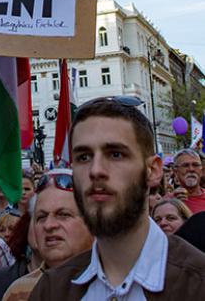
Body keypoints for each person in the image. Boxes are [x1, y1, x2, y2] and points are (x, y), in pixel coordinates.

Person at [30, 96, 205, 300]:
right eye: (83, 157)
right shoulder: (52, 290)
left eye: (115, 154)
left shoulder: (197, 284)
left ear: (153, 170)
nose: (95, 170)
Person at [3, 171, 93, 301]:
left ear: (92, 222)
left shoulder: (118, 285)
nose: (49, 225)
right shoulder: (18, 293)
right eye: (41, 217)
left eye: (63, 215)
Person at [173, 148, 205, 213]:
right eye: (185, 165)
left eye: (195, 165)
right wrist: (173, 206)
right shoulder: (166, 201)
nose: (191, 169)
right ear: (176, 172)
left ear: (201, 170)